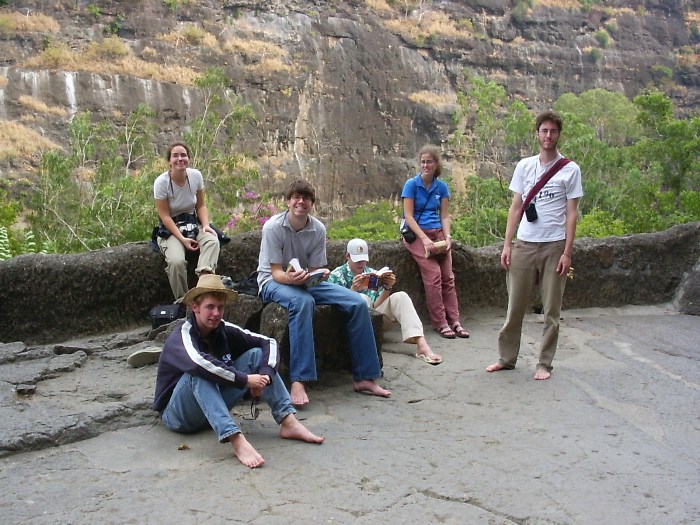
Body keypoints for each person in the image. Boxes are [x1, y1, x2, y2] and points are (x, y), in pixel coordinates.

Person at [152, 274, 324, 468]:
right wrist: (245, 380)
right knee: (198, 373)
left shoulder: (223, 329)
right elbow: (201, 364)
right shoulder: (181, 335)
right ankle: (235, 439)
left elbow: (268, 342)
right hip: (179, 416)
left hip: (211, 410)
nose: (216, 313)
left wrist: (264, 376)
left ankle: (288, 421)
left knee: (256, 355)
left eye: (220, 307)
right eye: (210, 307)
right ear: (195, 308)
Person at [257, 180, 391, 406]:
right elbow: (276, 272)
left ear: (312, 203)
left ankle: (365, 376)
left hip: (304, 280)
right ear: (288, 201)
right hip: (273, 281)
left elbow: (312, 269)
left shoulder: (317, 229)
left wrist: (319, 274)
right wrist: (292, 279)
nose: (301, 202)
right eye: (296, 197)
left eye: (306, 198)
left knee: (357, 302)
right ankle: (299, 380)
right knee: (303, 302)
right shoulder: (273, 227)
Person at [487, 111, 583, 380]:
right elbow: (516, 206)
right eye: (544, 131)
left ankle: (544, 363)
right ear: (537, 134)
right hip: (525, 244)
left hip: (554, 245)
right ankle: (506, 358)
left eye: (553, 131)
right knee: (514, 306)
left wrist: (567, 252)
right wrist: (507, 244)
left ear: (558, 134)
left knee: (551, 310)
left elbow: (572, 212)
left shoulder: (570, 169)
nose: (548, 136)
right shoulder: (525, 166)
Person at [328, 239, 442, 365]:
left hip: (374, 319)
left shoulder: (372, 273)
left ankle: (422, 345)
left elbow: (376, 306)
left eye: (363, 259)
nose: (361, 263)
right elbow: (333, 308)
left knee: (401, 296)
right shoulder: (336, 275)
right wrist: (353, 291)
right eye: (357, 259)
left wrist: (387, 288)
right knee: (362, 298)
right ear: (347, 256)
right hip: (351, 323)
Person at [401, 145, 469, 340]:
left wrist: (447, 238)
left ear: (436, 164)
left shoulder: (442, 187)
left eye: (429, 161)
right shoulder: (411, 185)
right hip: (417, 235)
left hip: (438, 234)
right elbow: (408, 216)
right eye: (423, 162)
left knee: (448, 277)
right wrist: (424, 239)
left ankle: (455, 320)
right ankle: (440, 322)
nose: (425, 165)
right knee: (434, 276)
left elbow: (444, 215)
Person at [154, 142, 220, 302]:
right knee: (176, 262)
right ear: (169, 161)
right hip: (171, 228)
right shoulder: (161, 183)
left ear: (188, 158)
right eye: (175, 156)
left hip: (192, 222)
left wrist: (205, 225)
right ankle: (185, 302)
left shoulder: (195, 176)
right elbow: (165, 216)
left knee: (212, 241)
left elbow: (201, 205)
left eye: (183, 155)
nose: (180, 159)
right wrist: (182, 239)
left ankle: (204, 285)